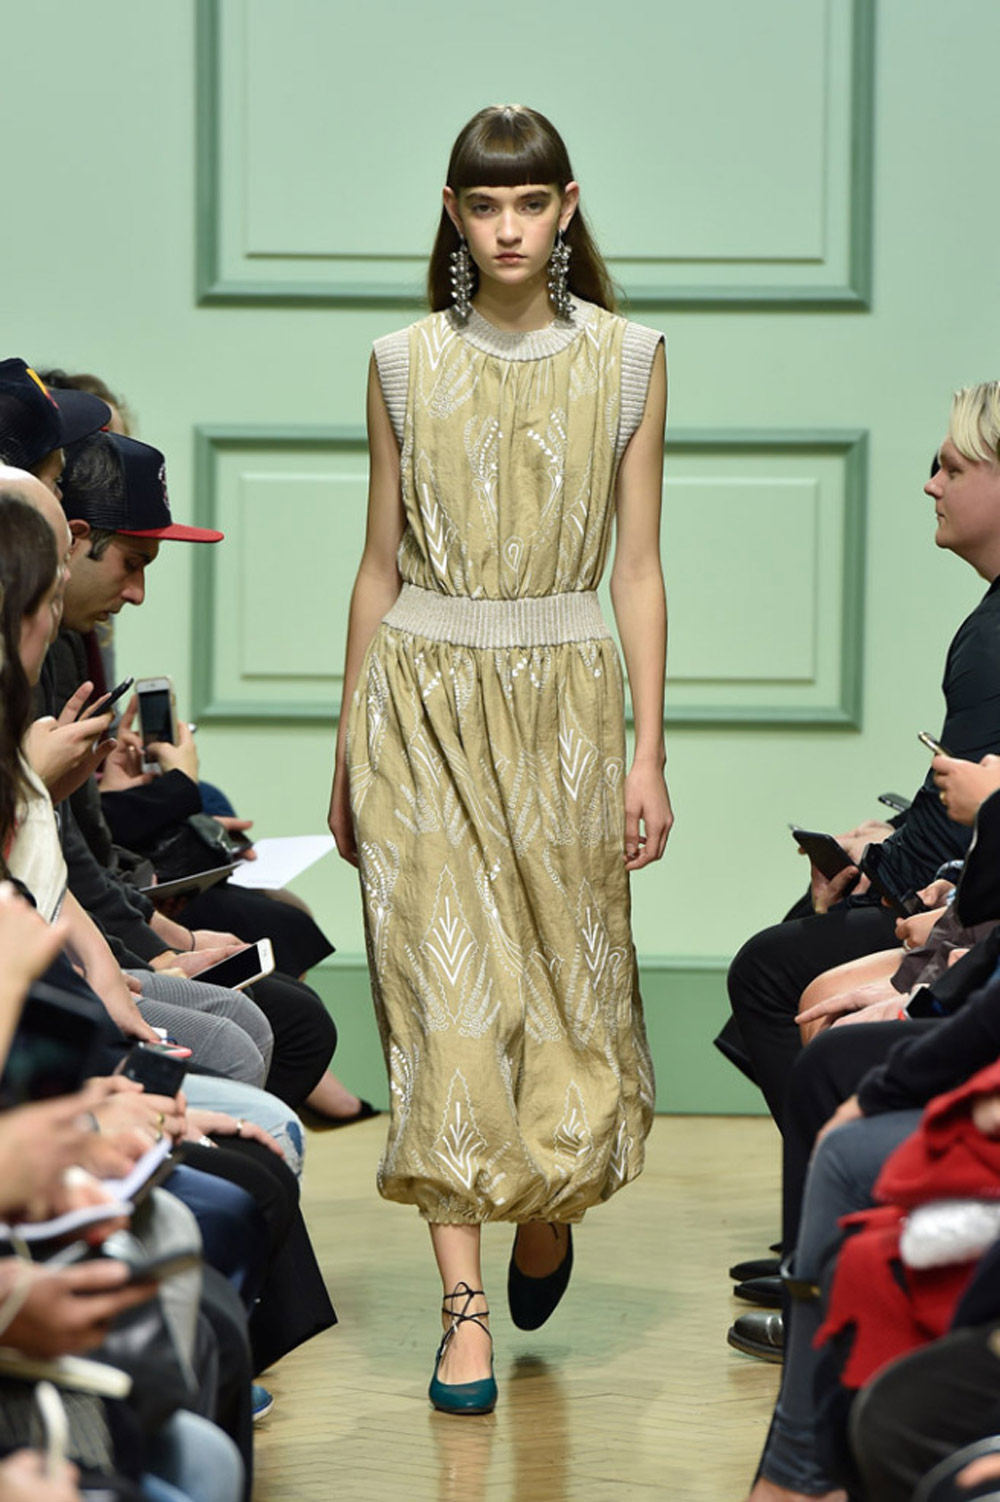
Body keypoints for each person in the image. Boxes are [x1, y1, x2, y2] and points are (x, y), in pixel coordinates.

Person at [328, 104, 672, 1414]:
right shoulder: (401, 361)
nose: (509, 228)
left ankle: (545, 1205)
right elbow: (377, 564)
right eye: (485, 205)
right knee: (445, 1004)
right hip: (419, 699)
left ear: (567, 206)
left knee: (574, 1008)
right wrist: (346, 745)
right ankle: (462, 1312)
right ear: (455, 213)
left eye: (530, 203)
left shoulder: (629, 360)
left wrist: (648, 752)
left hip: (565, 705)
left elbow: (637, 568)